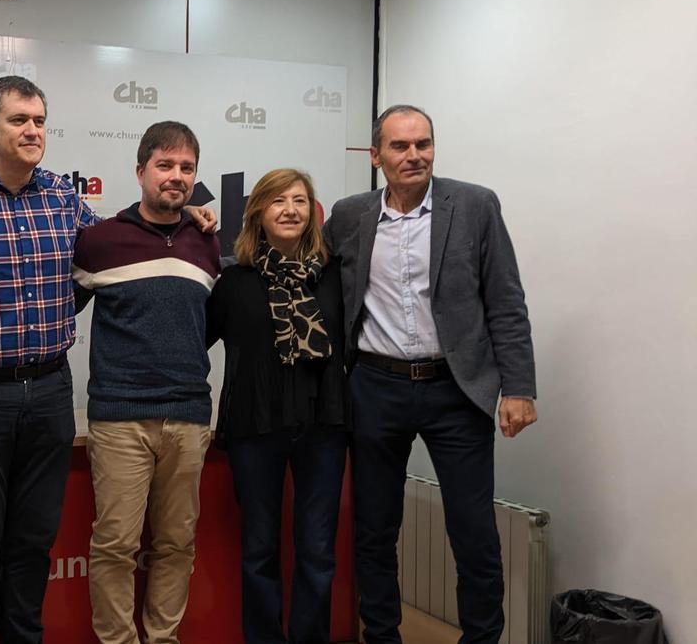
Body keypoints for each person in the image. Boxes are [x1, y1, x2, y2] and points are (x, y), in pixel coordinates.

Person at [0, 77, 215, 644]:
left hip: (50, 388)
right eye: (18, 120)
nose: (32, 131)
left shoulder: (63, 198)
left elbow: (129, 242)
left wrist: (198, 213)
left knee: (34, 537)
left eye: (39, 121)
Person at [322, 105, 537, 644]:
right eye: (400, 146)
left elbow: (505, 301)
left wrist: (519, 387)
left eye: (423, 144)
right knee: (374, 530)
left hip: (456, 390)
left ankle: (482, 637)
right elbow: (301, 262)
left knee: (473, 532)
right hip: (374, 387)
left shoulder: (474, 205)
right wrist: (208, 231)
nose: (414, 155)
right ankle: (382, 635)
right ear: (376, 157)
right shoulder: (350, 215)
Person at [72, 121, 221, 644]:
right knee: (115, 544)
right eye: (165, 165)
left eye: (186, 168)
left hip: (188, 416)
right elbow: (56, 313)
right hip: (119, 418)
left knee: (177, 544)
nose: (175, 177)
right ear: (140, 172)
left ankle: (163, 638)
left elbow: (209, 323)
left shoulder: (207, 242)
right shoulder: (98, 241)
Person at [206, 168, 349, 644]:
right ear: (258, 214)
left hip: (324, 427)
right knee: (259, 550)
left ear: (312, 213)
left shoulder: (336, 278)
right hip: (256, 427)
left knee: (317, 550)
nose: (290, 210)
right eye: (278, 201)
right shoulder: (233, 281)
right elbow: (194, 342)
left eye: (300, 201)